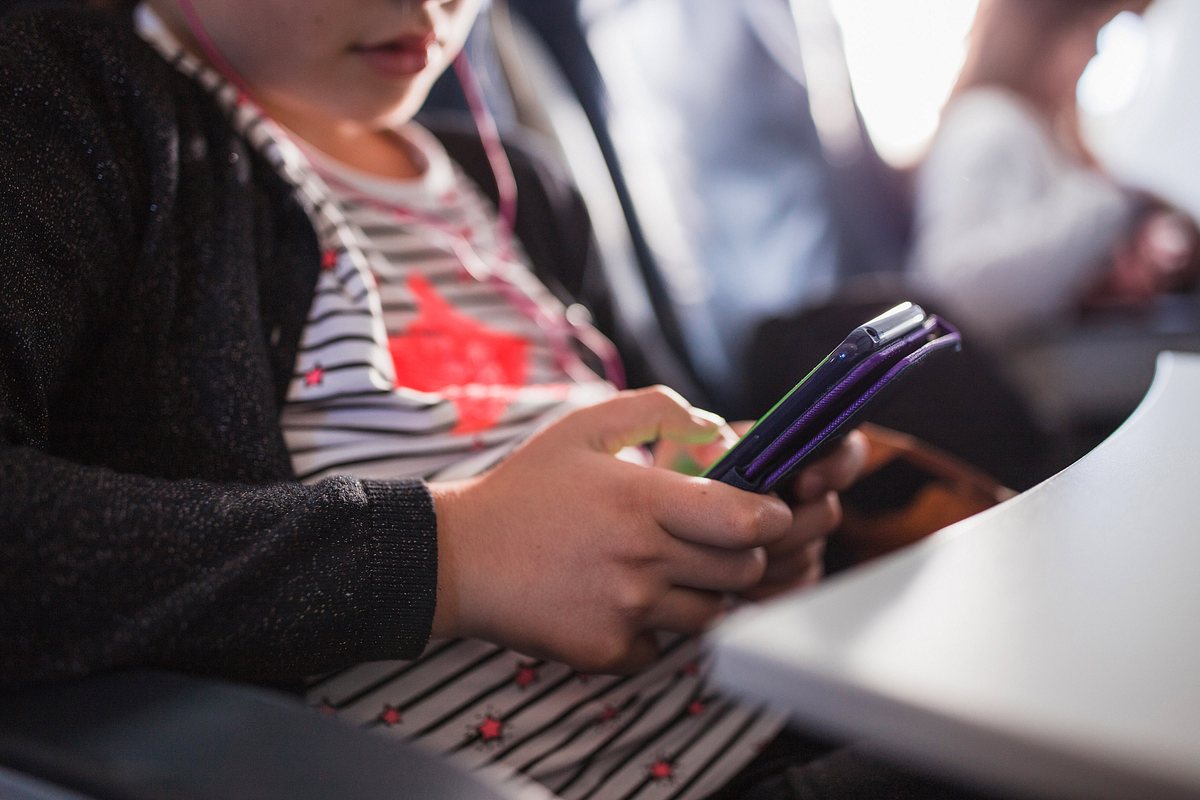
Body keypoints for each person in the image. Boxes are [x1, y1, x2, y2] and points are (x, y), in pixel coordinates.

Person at [0, 1, 1009, 798]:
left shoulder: (517, 184)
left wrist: (722, 518)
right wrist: (454, 552)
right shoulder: (75, 101)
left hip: (766, 710)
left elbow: (639, 434)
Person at [907, 0, 1196, 346]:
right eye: (1088, 32)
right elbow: (956, 288)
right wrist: (1106, 207)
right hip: (1013, 366)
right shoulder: (990, 120)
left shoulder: (1042, 133)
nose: (1094, 53)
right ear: (1037, 32)